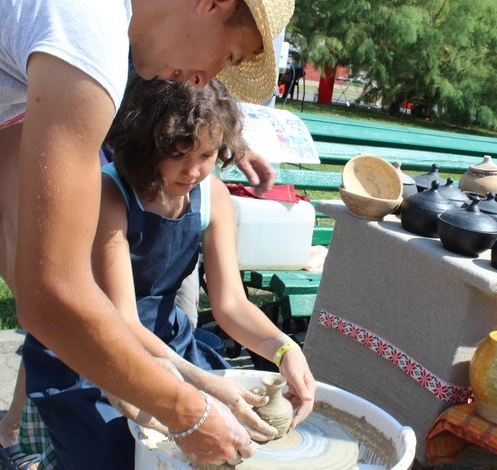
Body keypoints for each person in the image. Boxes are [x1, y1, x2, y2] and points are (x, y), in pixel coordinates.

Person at [0, 0, 293, 466]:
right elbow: (52, 292)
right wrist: (185, 409)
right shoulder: (88, 19)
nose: (202, 82)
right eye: (227, 57)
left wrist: (99, 349)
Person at [21, 76, 315, 468]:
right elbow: (122, 321)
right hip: (97, 345)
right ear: (147, 144)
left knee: (236, 438)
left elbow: (230, 305)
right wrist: (201, 387)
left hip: (167, 341)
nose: (194, 171)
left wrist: (285, 349)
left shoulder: (214, 195)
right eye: (180, 154)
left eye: (207, 155)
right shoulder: (110, 194)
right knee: (120, 451)